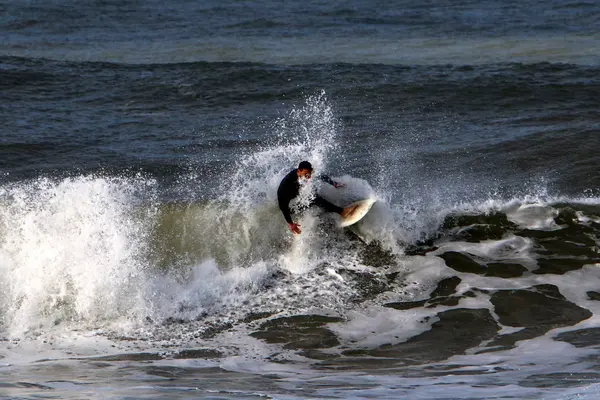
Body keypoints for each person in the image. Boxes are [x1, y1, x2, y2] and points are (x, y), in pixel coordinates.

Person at [277, 161, 357, 234]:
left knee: (314, 194)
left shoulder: (306, 173)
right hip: (291, 209)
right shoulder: (286, 186)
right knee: (314, 199)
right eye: (306, 175)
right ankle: (342, 212)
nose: (308, 177)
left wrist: (333, 183)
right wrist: (291, 224)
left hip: (298, 198)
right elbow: (283, 207)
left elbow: (320, 176)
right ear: (298, 171)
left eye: (309, 174)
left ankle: (332, 215)